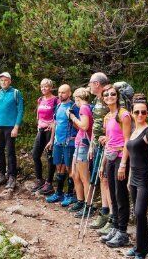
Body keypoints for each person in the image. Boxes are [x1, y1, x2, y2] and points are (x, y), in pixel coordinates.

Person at [98, 84, 133, 248]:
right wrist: (102, 164)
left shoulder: (123, 115)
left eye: (112, 94)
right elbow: (108, 142)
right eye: (106, 95)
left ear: (117, 96)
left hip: (120, 157)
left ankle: (123, 231)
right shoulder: (107, 117)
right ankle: (116, 226)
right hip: (110, 157)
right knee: (113, 193)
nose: (109, 97)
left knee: (121, 194)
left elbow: (127, 141)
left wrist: (123, 164)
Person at [125, 94, 148, 259]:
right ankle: (139, 246)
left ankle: (142, 252)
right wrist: (129, 177)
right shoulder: (134, 130)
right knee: (137, 213)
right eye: (137, 112)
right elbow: (131, 156)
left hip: (145, 177)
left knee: (140, 212)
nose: (140, 115)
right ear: (132, 113)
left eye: (143, 112)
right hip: (134, 177)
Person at [0, 72, 24, 191]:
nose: (3, 82)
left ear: (10, 81)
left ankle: (12, 177)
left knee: (10, 152)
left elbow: (20, 110)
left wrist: (16, 127)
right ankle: (1, 175)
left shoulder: (15, 93)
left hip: (10, 127)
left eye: (5, 80)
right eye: (1, 80)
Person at [46, 84, 78, 206]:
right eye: (59, 92)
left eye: (63, 92)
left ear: (69, 93)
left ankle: (70, 195)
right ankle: (59, 193)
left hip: (69, 142)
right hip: (58, 142)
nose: (60, 94)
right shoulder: (58, 105)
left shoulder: (74, 107)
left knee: (69, 168)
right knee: (59, 166)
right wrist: (51, 140)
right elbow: (55, 123)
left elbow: (79, 124)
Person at [86, 72, 111, 229]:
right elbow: (96, 122)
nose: (89, 86)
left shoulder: (109, 97)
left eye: (90, 83)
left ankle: (111, 217)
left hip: (108, 145)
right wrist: (91, 145)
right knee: (102, 178)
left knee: (106, 179)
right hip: (96, 143)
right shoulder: (96, 99)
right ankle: (104, 211)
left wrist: (109, 138)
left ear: (96, 83)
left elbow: (116, 121)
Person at [68, 88, 95, 216]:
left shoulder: (84, 108)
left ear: (78, 98)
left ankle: (88, 206)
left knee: (84, 177)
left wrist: (73, 117)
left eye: (75, 99)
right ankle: (80, 201)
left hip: (83, 145)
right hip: (80, 143)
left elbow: (84, 126)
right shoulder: (87, 107)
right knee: (75, 174)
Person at [31, 79, 59, 194]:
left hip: (50, 131)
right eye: (42, 86)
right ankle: (39, 179)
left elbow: (57, 117)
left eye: (46, 86)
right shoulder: (40, 99)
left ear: (51, 87)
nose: (43, 88)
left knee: (50, 157)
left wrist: (53, 127)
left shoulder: (55, 100)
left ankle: (49, 183)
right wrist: (39, 125)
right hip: (41, 130)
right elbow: (39, 115)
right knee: (35, 154)